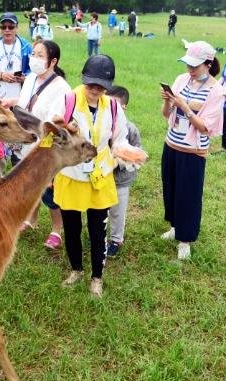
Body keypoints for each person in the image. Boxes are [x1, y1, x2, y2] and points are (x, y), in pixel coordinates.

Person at [55, 55, 146, 297]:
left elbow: (119, 138)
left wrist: (128, 153)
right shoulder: (67, 101)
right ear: (83, 79)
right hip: (72, 174)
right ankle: (76, 269)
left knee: (98, 231)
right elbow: (50, 136)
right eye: (90, 83)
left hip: (100, 177)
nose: (95, 89)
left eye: (101, 85)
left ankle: (97, 276)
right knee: (72, 228)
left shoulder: (114, 107)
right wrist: (65, 133)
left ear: (108, 86)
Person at [160, 41, 226, 260]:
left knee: (188, 196)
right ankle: (175, 227)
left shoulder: (216, 91)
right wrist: (168, 102)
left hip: (193, 152)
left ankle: (185, 241)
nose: (190, 70)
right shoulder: (181, 80)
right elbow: (166, 115)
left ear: (208, 64)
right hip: (171, 145)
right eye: (188, 64)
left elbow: (205, 127)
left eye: (195, 66)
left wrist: (184, 107)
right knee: (171, 189)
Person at [4, 40, 71, 250]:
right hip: (24, 141)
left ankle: (56, 229)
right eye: (33, 53)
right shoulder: (31, 77)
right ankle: (31, 220)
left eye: (40, 55)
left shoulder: (62, 88)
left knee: (49, 191)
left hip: (45, 146)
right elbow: (27, 102)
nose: (34, 58)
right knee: (28, 186)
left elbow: (54, 124)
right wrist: (11, 103)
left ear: (53, 61)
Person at [105, 86, 142, 258]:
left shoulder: (130, 129)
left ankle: (116, 239)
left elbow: (137, 154)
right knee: (98, 207)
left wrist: (120, 161)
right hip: (100, 177)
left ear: (124, 107)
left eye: (115, 104)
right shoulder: (100, 125)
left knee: (117, 210)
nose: (111, 107)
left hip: (120, 179)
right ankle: (97, 233)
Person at [0, 12, 31, 100]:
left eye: (11, 27)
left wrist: (25, 78)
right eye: (3, 27)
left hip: (21, 97)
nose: (7, 30)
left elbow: (34, 71)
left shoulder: (26, 47)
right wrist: (0, 75)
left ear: (17, 27)